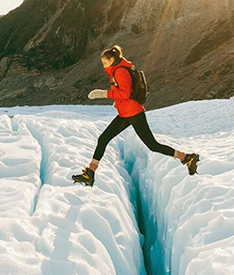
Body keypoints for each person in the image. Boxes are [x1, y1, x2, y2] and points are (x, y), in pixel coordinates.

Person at [72, 45, 199, 187]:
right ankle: (90, 173)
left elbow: (125, 93)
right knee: (103, 139)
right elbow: (125, 93)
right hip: (126, 113)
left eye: (105, 63)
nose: (103, 66)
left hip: (133, 113)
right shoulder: (117, 70)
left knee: (152, 145)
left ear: (112, 59)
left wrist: (104, 94)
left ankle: (187, 157)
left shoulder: (120, 71)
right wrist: (118, 102)